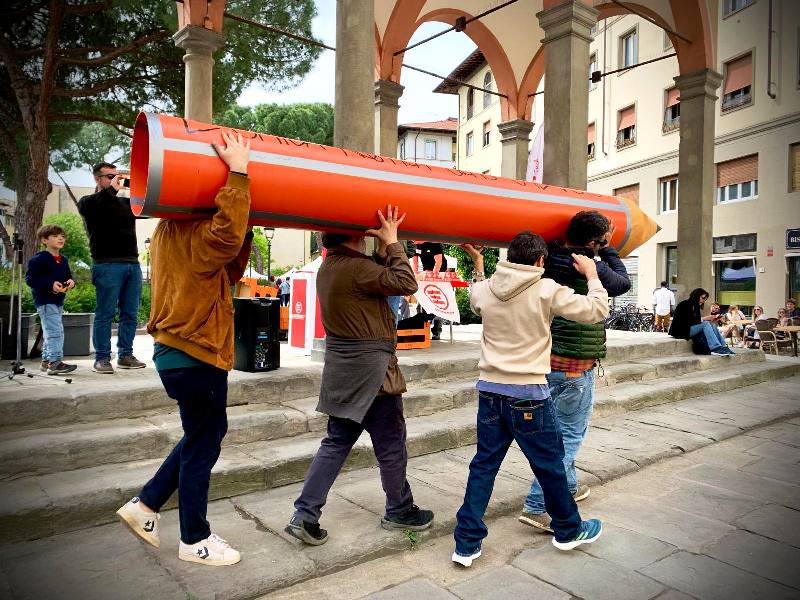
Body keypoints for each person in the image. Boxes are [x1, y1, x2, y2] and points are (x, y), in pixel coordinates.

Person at [115, 131, 253, 567]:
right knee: (204, 444)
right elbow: (225, 238)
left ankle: (146, 505)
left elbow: (227, 265)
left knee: (202, 436)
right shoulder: (193, 230)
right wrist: (239, 173)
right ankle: (195, 538)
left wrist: (247, 226)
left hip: (179, 353)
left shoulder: (171, 229)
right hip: (195, 353)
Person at [453, 234, 608, 568]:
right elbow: (595, 311)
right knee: (550, 466)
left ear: (509, 257)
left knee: (484, 466)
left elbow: (476, 297)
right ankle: (568, 530)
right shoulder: (546, 289)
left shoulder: (486, 288)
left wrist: (479, 264)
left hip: (490, 392)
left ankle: (466, 543)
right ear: (540, 261)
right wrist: (593, 275)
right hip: (528, 396)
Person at [286, 205, 434, 546]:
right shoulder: (356, 267)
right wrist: (394, 243)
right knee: (391, 445)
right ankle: (400, 509)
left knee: (336, 443)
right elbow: (405, 283)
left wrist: (383, 252)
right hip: (374, 376)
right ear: (354, 236)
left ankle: (305, 514)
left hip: (343, 370)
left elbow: (375, 281)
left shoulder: (332, 266)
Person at [518, 211, 630, 533]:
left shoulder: (548, 261)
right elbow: (622, 282)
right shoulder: (587, 267)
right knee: (568, 436)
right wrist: (606, 249)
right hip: (574, 369)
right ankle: (539, 504)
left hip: (545, 364)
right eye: (600, 241)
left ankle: (567, 487)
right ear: (594, 241)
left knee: (556, 433)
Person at [78, 162, 145, 374]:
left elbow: (151, 208)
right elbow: (95, 204)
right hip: (107, 264)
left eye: (118, 176)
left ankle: (125, 355)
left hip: (132, 265)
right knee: (105, 313)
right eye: (110, 176)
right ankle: (102, 358)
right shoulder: (89, 203)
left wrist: (143, 188)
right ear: (97, 179)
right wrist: (111, 190)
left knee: (130, 314)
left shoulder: (127, 204)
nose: (116, 180)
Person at [25, 224, 77, 375]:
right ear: (44, 240)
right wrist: (50, 284)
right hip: (45, 301)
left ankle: (46, 361)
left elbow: (68, 276)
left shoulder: (63, 260)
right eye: (55, 236)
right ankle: (55, 362)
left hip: (58, 301)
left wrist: (71, 282)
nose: (60, 238)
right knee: (55, 331)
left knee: (51, 330)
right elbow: (30, 280)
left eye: (62, 236)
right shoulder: (39, 259)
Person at [668, 288, 734, 355]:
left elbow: (697, 320)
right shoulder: (684, 304)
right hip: (681, 331)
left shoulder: (696, 306)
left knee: (712, 324)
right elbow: (686, 321)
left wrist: (711, 319)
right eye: (703, 298)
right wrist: (706, 318)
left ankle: (722, 346)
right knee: (705, 323)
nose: (704, 301)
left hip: (689, 329)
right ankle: (715, 348)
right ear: (696, 295)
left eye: (705, 299)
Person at [416, 240, 445, 340]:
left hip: (439, 274)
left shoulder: (434, 243)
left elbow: (439, 262)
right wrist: (415, 274)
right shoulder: (416, 245)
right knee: (422, 304)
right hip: (426, 274)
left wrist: (432, 277)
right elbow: (415, 261)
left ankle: (437, 331)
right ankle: (423, 330)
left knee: (438, 304)